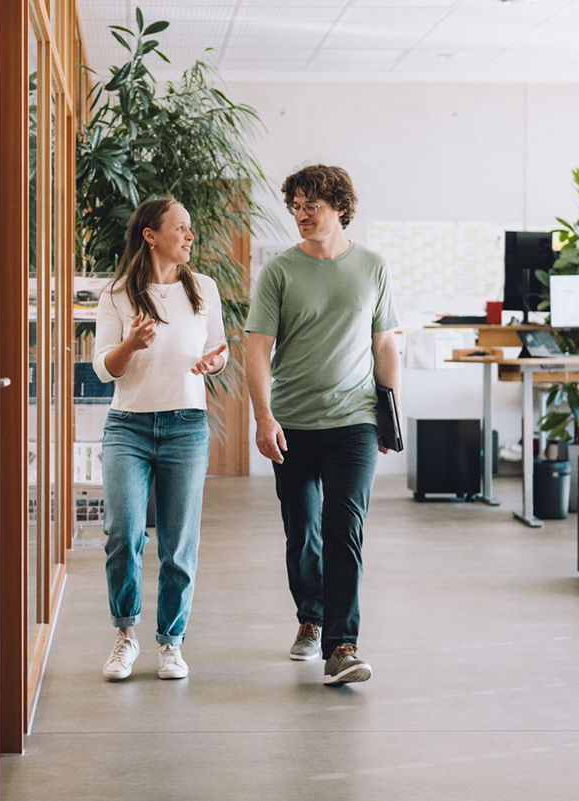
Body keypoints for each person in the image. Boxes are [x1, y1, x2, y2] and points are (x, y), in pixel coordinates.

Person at [244, 164, 400, 687]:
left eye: (312, 205)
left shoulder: (372, 267)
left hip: (353, 419)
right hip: (292, 422)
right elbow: (257, 348)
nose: (301, 215)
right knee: (303, 531)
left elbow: (384, 344)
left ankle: (342, 644)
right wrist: (264, 417)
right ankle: (309, 617)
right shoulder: (280, 271)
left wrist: (388, 414)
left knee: (344, 529)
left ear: (340, 207)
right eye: (296, 206)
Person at [92, 197, 228, 681]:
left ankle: (171, 643)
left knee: (178, 543)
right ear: (151, 235)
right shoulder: (117, 294)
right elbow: (103, 369)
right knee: (123, 534)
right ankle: (124, 636)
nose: (190, 236)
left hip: (186, 426)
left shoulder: (203, 289)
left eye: (191, 229)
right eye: (181, 228)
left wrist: (215, 361)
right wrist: (130, 344)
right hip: (128, 425)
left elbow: (219, 348)